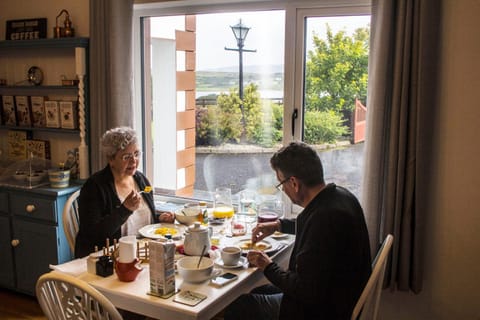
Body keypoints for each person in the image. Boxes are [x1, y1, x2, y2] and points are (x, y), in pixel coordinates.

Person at [224, 142, 372, 320]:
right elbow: (314, 227)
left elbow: (305, 290)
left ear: (293, 183)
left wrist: (267, 265)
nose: (283, 190)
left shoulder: (323, 221)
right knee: (260, 290)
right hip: (341, 294)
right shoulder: (340, 197)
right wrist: (279, 225)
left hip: (323, 310)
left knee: (239, 308)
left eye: (281, 183)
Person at [75, 126, 175, 258]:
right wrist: (125, 209)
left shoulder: (141, 180)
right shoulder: (94, 187)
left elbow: (142, 218)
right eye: (126, 156)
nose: (133, 161)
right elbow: (93, 235)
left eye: (136, 154)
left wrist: (160, 219)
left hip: (142, 253)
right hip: (107, 259)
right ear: (111, 159)